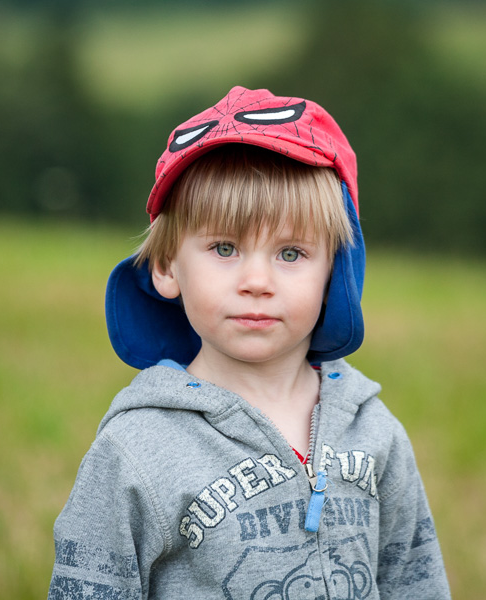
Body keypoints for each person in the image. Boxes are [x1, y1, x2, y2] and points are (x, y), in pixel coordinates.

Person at [47, 86, 450, 599]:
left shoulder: (374, 433)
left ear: (335, 272)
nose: (257, 280)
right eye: (224, 247)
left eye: (290, 253)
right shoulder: (137, 451)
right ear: (168, 266)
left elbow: (415, 584)